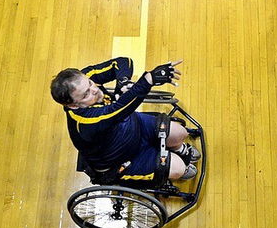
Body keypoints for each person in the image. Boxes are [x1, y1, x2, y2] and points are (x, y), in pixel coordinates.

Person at [51, 57, 201, 183]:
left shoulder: (82, 79)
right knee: (178, 169)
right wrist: (149, 79)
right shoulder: (84, 122)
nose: (95, 90)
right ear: (72, 104)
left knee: (180, 133)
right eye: (86, 95)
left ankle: (179, 149)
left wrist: (122, 81)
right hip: (122, 159)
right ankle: (179, 166)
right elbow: (118, 110)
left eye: (90, 83)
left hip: (132, 126)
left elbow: (122, 62)